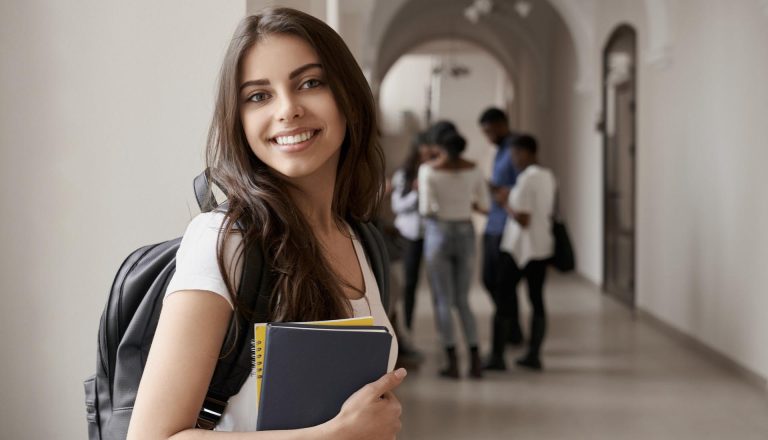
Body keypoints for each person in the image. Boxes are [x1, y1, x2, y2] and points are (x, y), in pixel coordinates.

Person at [128, 8, 404, 439]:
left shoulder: (359, 238)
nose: (288, 109)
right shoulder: (226, 242)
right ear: (238, 120)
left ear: (348, 97)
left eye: (310, 83)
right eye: (259, 96)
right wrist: (334, 435)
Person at [418, 128, 489, 379]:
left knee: (443, 301)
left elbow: (426, 208)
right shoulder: (475, 169)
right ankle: (476, 359)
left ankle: (452, 362)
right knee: (463, 299)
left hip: (439, 232)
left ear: (440, 148)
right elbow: (485, 204)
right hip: (466, 231)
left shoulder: (428, 171)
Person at [492, 135, 556, 371]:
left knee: (503, 299)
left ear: (527, 152)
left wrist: (504, 203)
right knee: (537, 300)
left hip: (520, 249)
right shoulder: (547, 175)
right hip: (542, 246)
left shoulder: (527, 179)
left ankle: (497, 356)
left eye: (515, 154)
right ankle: (534, 354)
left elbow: (523, 218)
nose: (513, 159)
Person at [477, 107, 523, 365]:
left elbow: (521, 185)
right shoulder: (500, 150)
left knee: (502, 285)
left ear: (503, 124)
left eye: (490, 131)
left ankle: (508, 335)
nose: (489, 137)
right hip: (493, 223)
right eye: (485, 133)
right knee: (489, 280)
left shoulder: (516, 148)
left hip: (508, 226)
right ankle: (513, 329)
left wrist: (502, 191)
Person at [390, 132, 431, 332]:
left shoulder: (435, 172)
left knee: (435, 284)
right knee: (410, 281)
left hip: (432, 233)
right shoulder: (403, 175)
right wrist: (416, 192)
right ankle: (407, 325)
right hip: (410, 234)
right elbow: (397, 206)